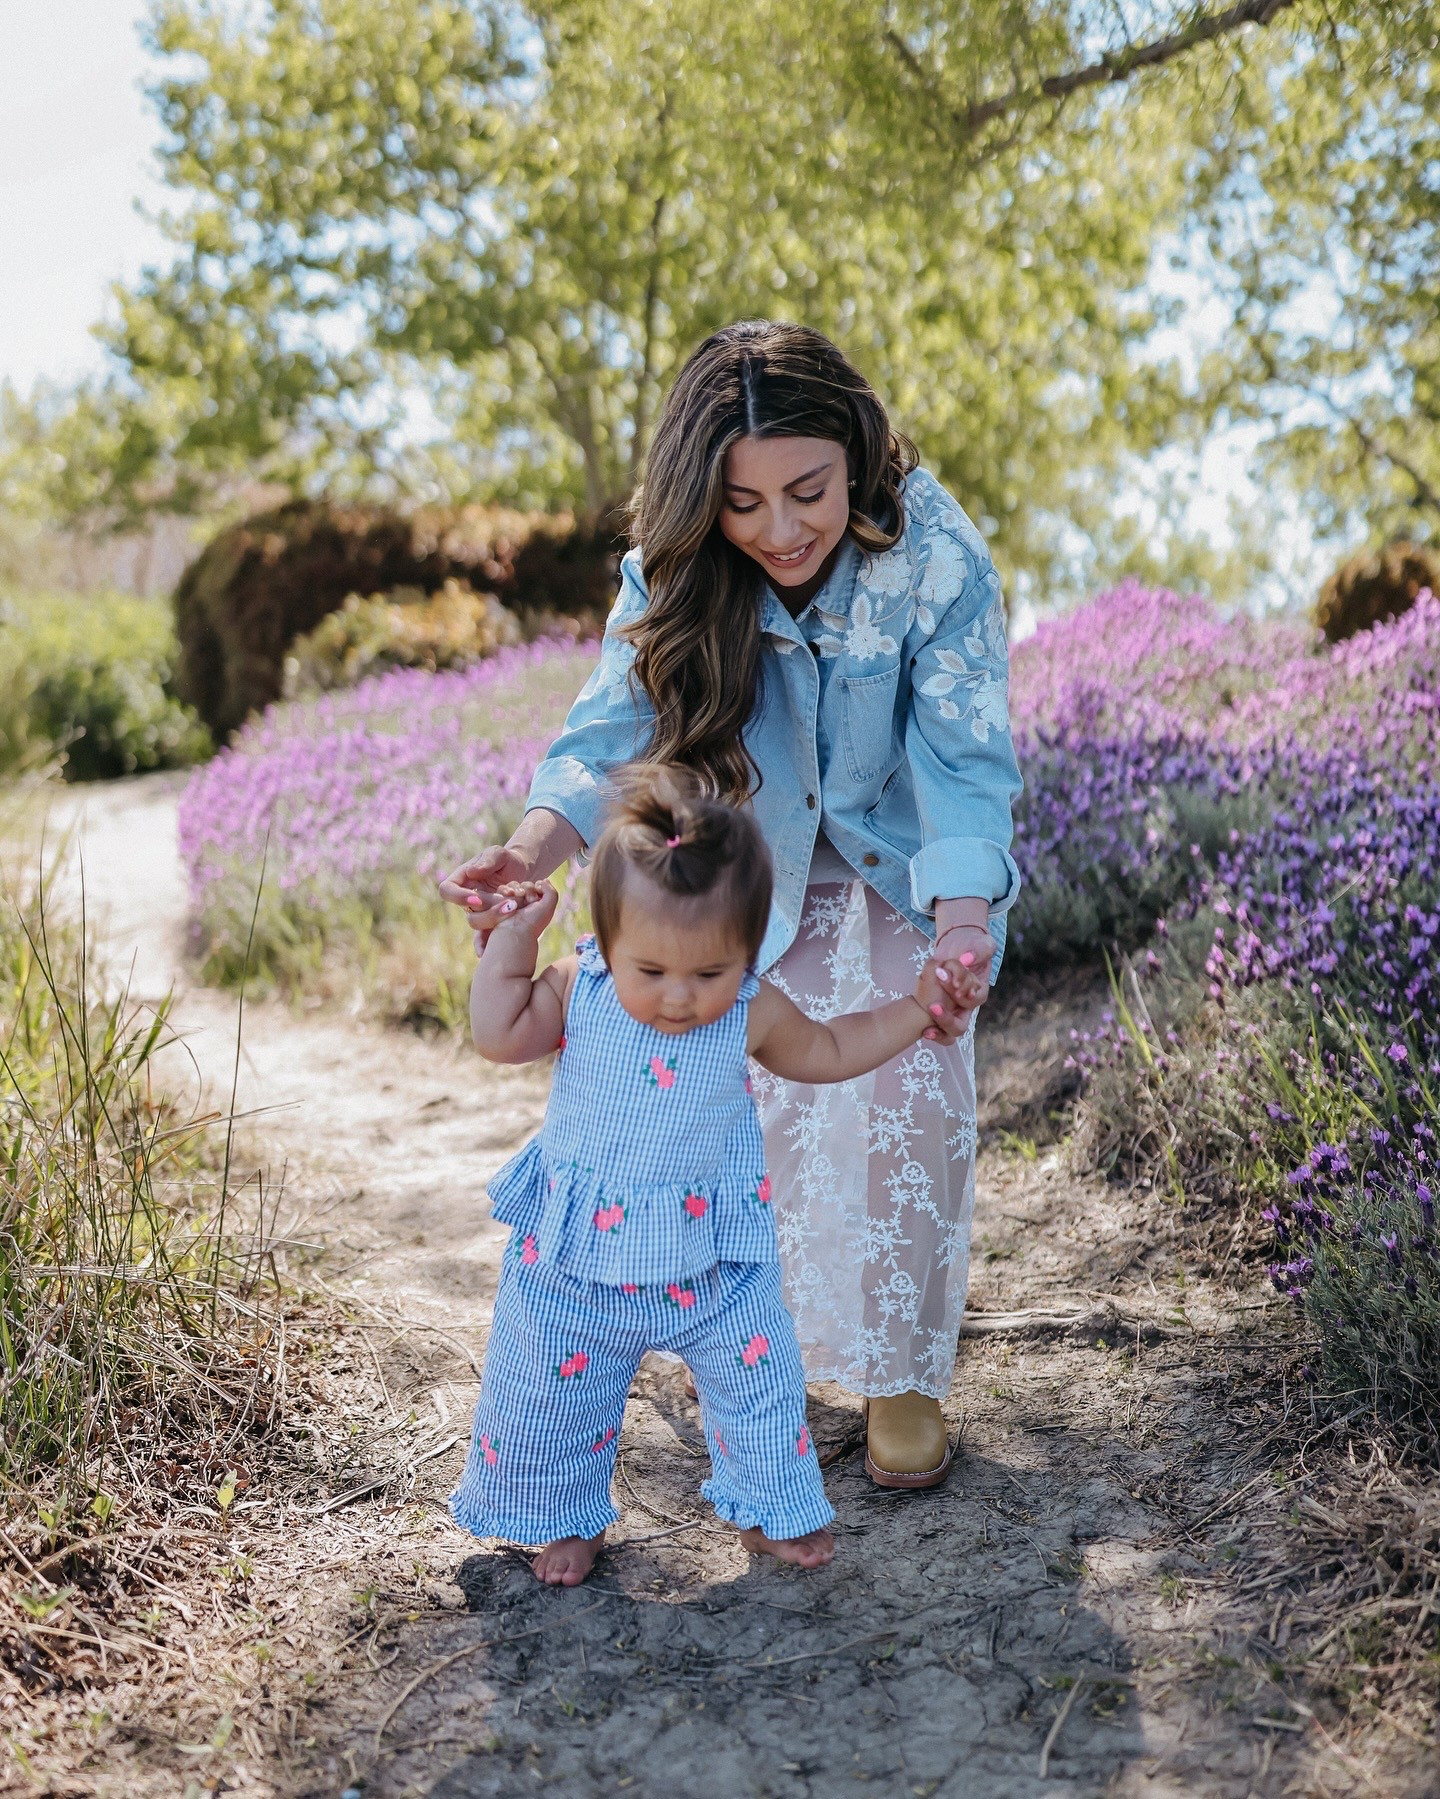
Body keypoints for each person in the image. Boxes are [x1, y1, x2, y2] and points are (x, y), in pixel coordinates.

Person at [439, 319, 1021, 1490]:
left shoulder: (938, 555)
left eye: (807, 490)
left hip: (902, 852)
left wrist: (960, 925)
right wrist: (531, 845)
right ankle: (767, 1353)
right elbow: (610, 727)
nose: (782, 528)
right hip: (745, 853)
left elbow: (965, 760)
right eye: (744, 505)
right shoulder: (678, 563)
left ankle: (904, 1371)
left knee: (911, 1088)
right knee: (746, 1101)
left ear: (854, 451)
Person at [449, 768, 979, 1585]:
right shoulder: (576, 985)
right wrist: (515, 940)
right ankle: (561, 1517)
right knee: (543, 1401)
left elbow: (831, 1050)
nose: (679, 997)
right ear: (608, 937)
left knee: (762, 1387)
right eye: (652, 970)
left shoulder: (750, 1008)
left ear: (749, 947)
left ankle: (769, 1512)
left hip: (712, 1263)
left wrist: (917, 1011)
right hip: (574, 1265)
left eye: (709, 972)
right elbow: (497, 1031)